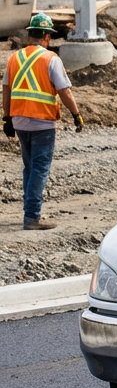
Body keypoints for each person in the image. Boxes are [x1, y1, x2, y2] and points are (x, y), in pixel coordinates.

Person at [2, 13, 84, 230]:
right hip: (42, 123)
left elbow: (6, 90)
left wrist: (7, 118)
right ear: (47, 36)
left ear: (30, 35)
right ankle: (32, 216)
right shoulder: (51, 59)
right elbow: (64, 92)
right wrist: (76, 115)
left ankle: (30, 211)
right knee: (39, 167)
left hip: (19, 121)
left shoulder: (14, 58)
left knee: (29, 167)